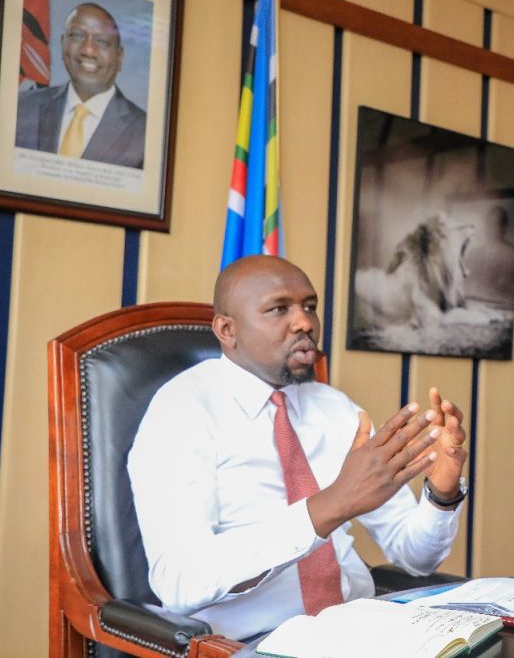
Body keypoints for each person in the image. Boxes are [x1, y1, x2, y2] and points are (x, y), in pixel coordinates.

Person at [127, 255, 469, 639]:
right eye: (278, 309)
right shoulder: (183, 410)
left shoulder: (335, 408)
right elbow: (180, 582)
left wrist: (441, 493)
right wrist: (330, 506)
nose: (305, 322)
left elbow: (416, 557)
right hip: (245, 644)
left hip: (359, 631)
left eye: (310, 306)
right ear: (227, 330)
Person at [15, 2, 146, 169]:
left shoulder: (145, 133)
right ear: (63, 43)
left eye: (102, 41)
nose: (88, 50)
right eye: (77, 36)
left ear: (119, 57)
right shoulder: (21, 107)